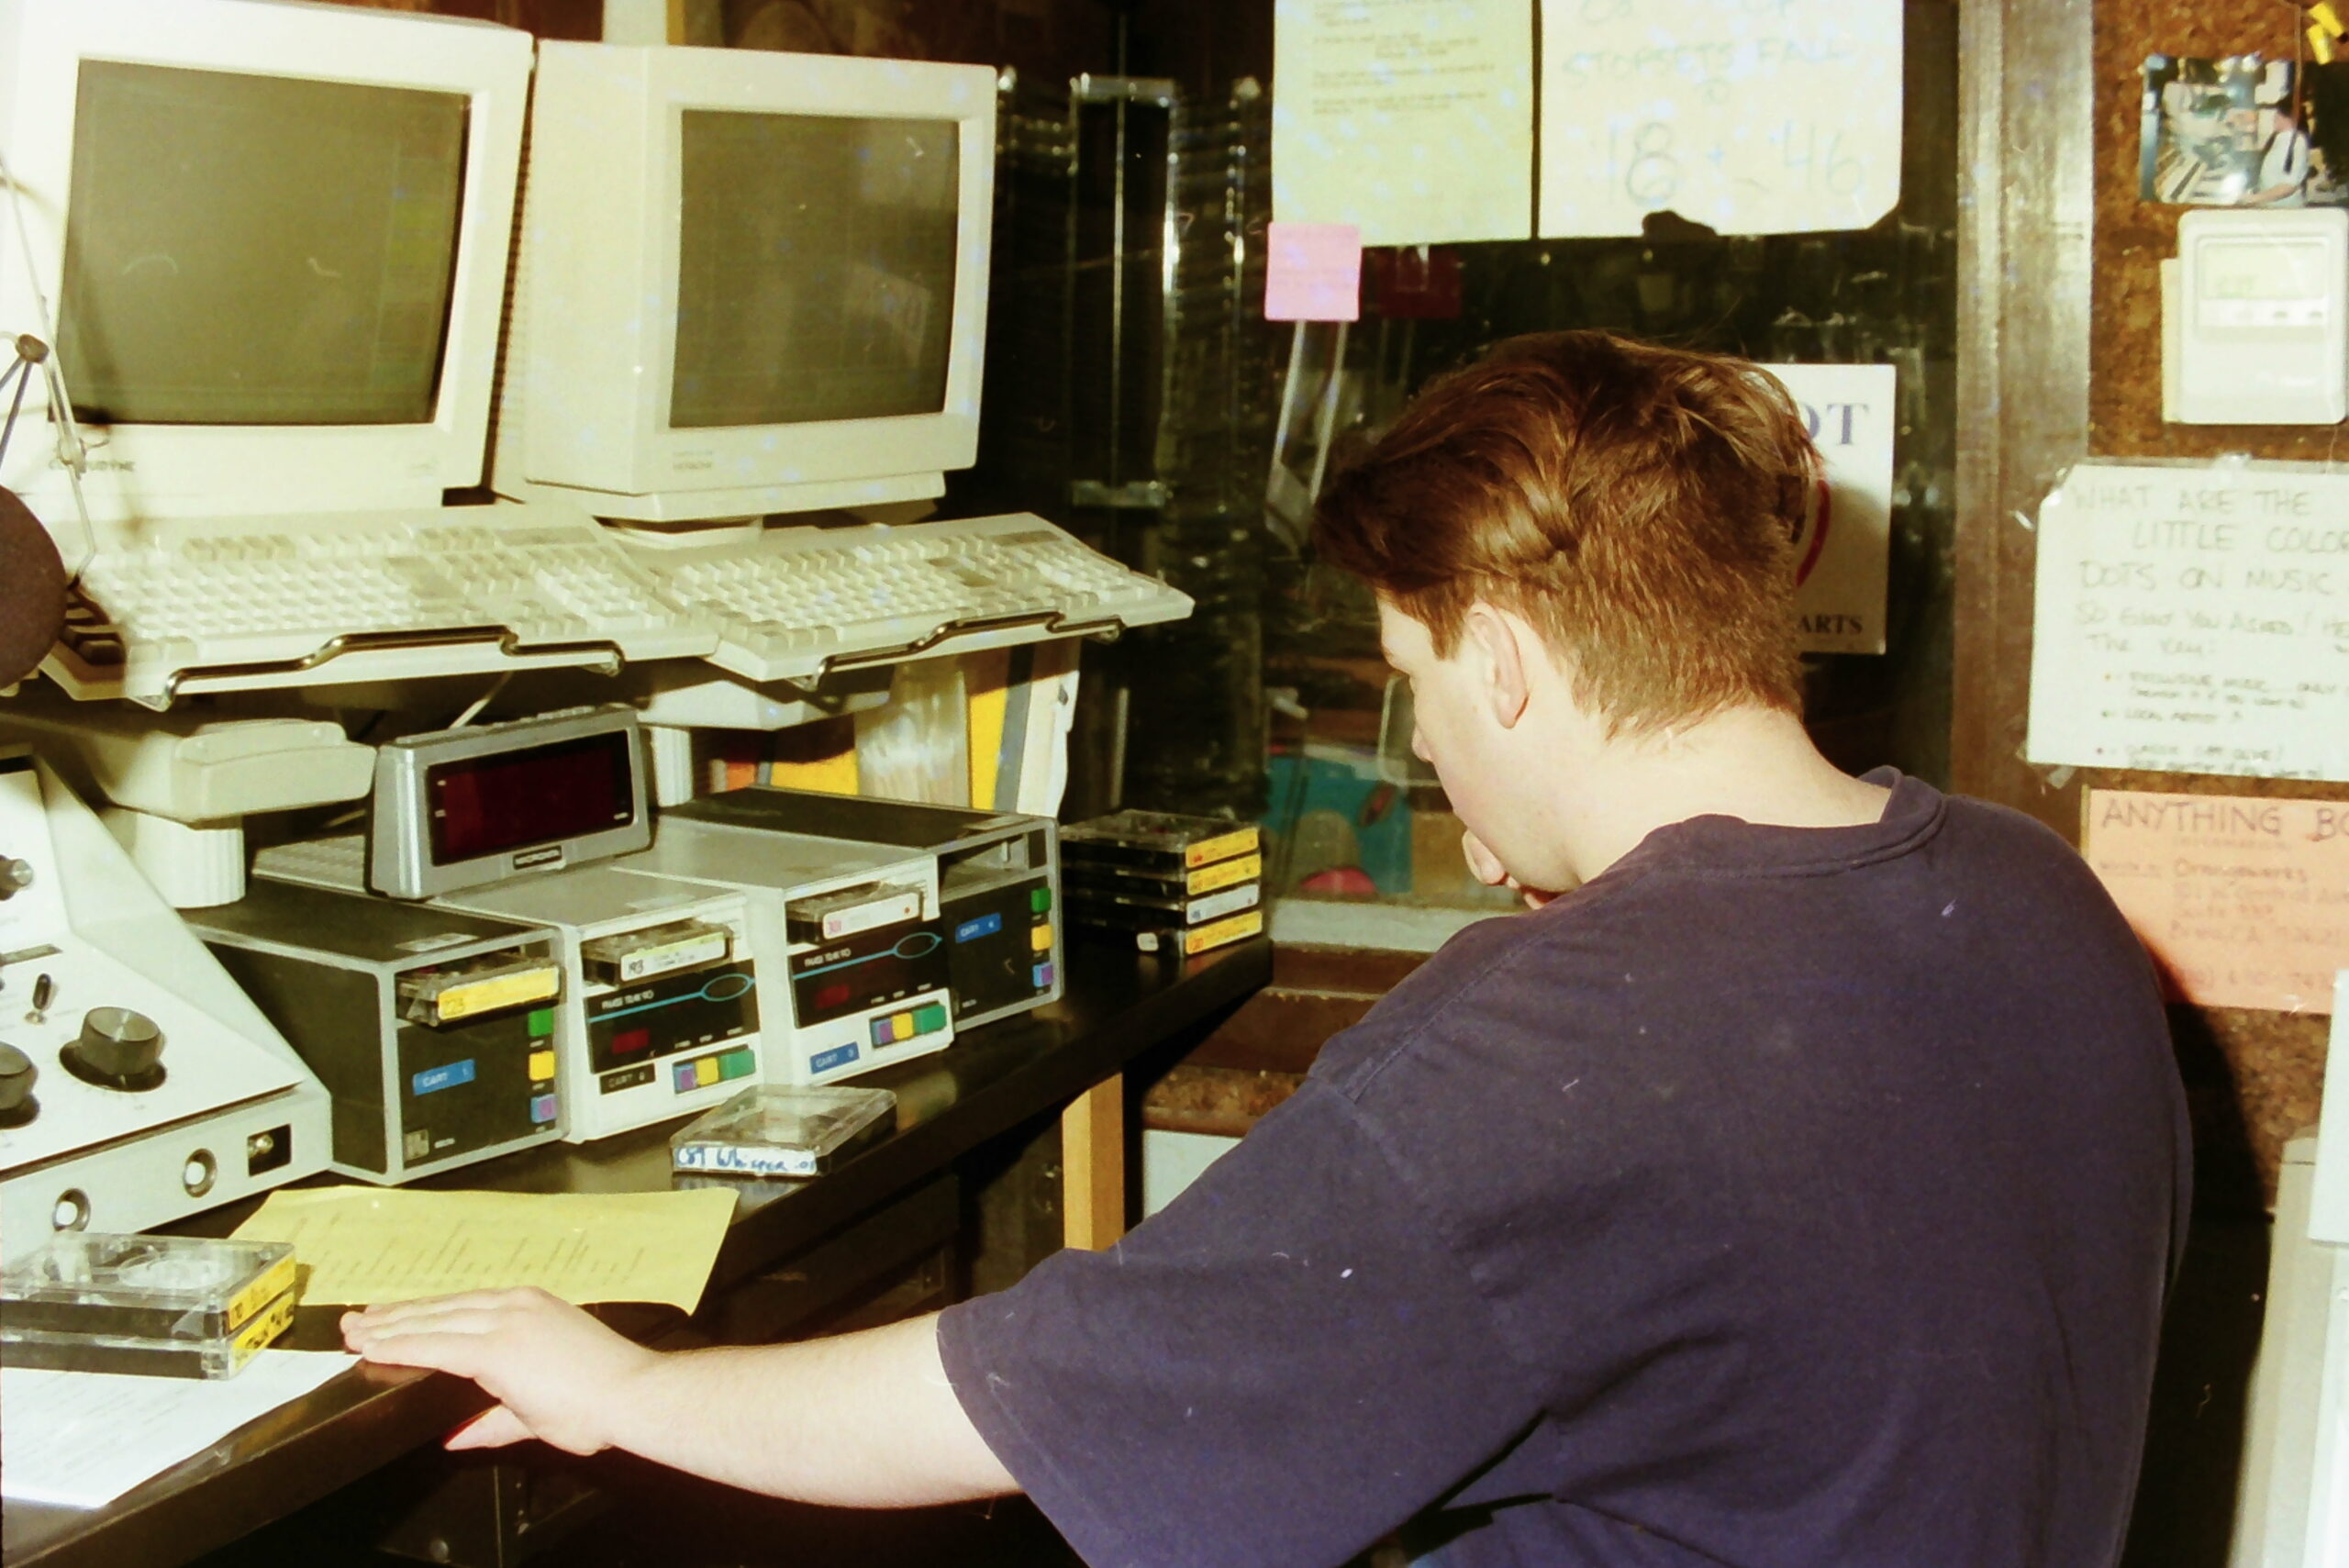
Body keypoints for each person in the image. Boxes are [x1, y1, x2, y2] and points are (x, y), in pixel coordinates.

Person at [345, 331, 2188, 1568]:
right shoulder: (2031, 899)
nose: (1427, 747)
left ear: (1505, 663)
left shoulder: (1539, 1050)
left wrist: (629, 1390)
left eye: (1408, 684)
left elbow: (990, 1409)